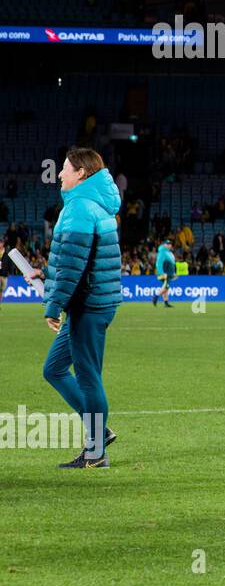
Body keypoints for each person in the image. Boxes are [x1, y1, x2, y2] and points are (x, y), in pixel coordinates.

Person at [28, 148, 122, 468]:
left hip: (89, 304)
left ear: (81, 173)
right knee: (53, 369)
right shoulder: (92, 204)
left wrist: (53, 304)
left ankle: (96, 453)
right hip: (92, 300)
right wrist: (47, 274)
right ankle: (100, 431)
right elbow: (78, 259)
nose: (59, 174)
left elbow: (72, 264)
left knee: (88, 377)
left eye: (65, 169)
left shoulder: (80, 206)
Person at [153, 238, 176, 307]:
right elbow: (159, 263)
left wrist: (173, 273)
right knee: (166, 287)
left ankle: (166, 303)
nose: (169, 245)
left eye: (170, 244)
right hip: (165, 273)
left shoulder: (169, 253)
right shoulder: (162, 252)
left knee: (166, 288)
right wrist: (162, 273)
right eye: (167, 244)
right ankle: (156, 297)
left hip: (169, 273)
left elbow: (172, 264)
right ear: (164, 245)